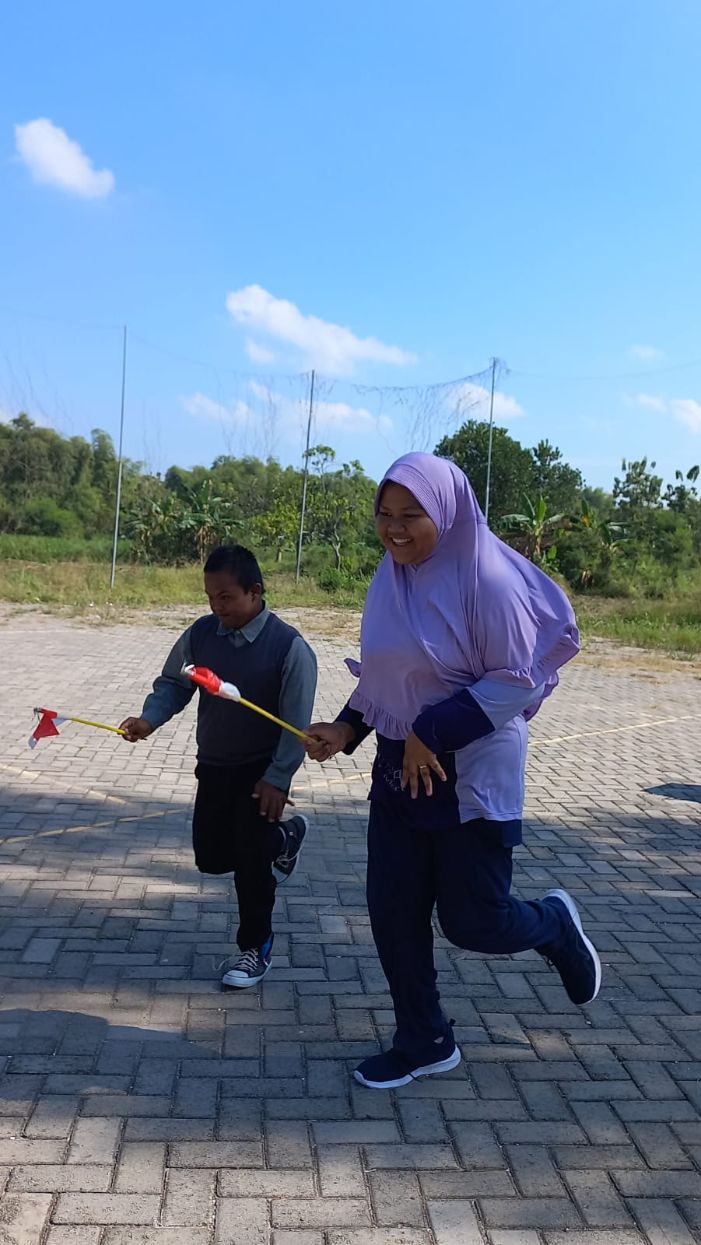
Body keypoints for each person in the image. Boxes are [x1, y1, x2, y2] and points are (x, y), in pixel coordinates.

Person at [306, 453, 600, 1090]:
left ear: (446, 511)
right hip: (400, 768)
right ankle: (425, 1039)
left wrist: (430, 731)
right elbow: (389, 675)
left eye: (412, 515)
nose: (395, 528)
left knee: (475, 923)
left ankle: (553, 924)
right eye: (384, 514)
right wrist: (348, 728)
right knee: (393, 913)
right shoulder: (390, 577)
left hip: (469, 771)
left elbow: (518, 681)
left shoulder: (486, 580)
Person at [120, 544, 317, 989]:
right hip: (213, 763)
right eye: (210, 597)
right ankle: (285, 837)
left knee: (251, 864)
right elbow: (174, 684)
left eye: (226, 597)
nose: (216, 607)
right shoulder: (202, 634)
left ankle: (256, 948)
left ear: (255, 592)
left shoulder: (289, 648)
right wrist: (149, 719)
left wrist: (278, 778)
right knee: (211, 857)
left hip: (261, 772)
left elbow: (295, 724)